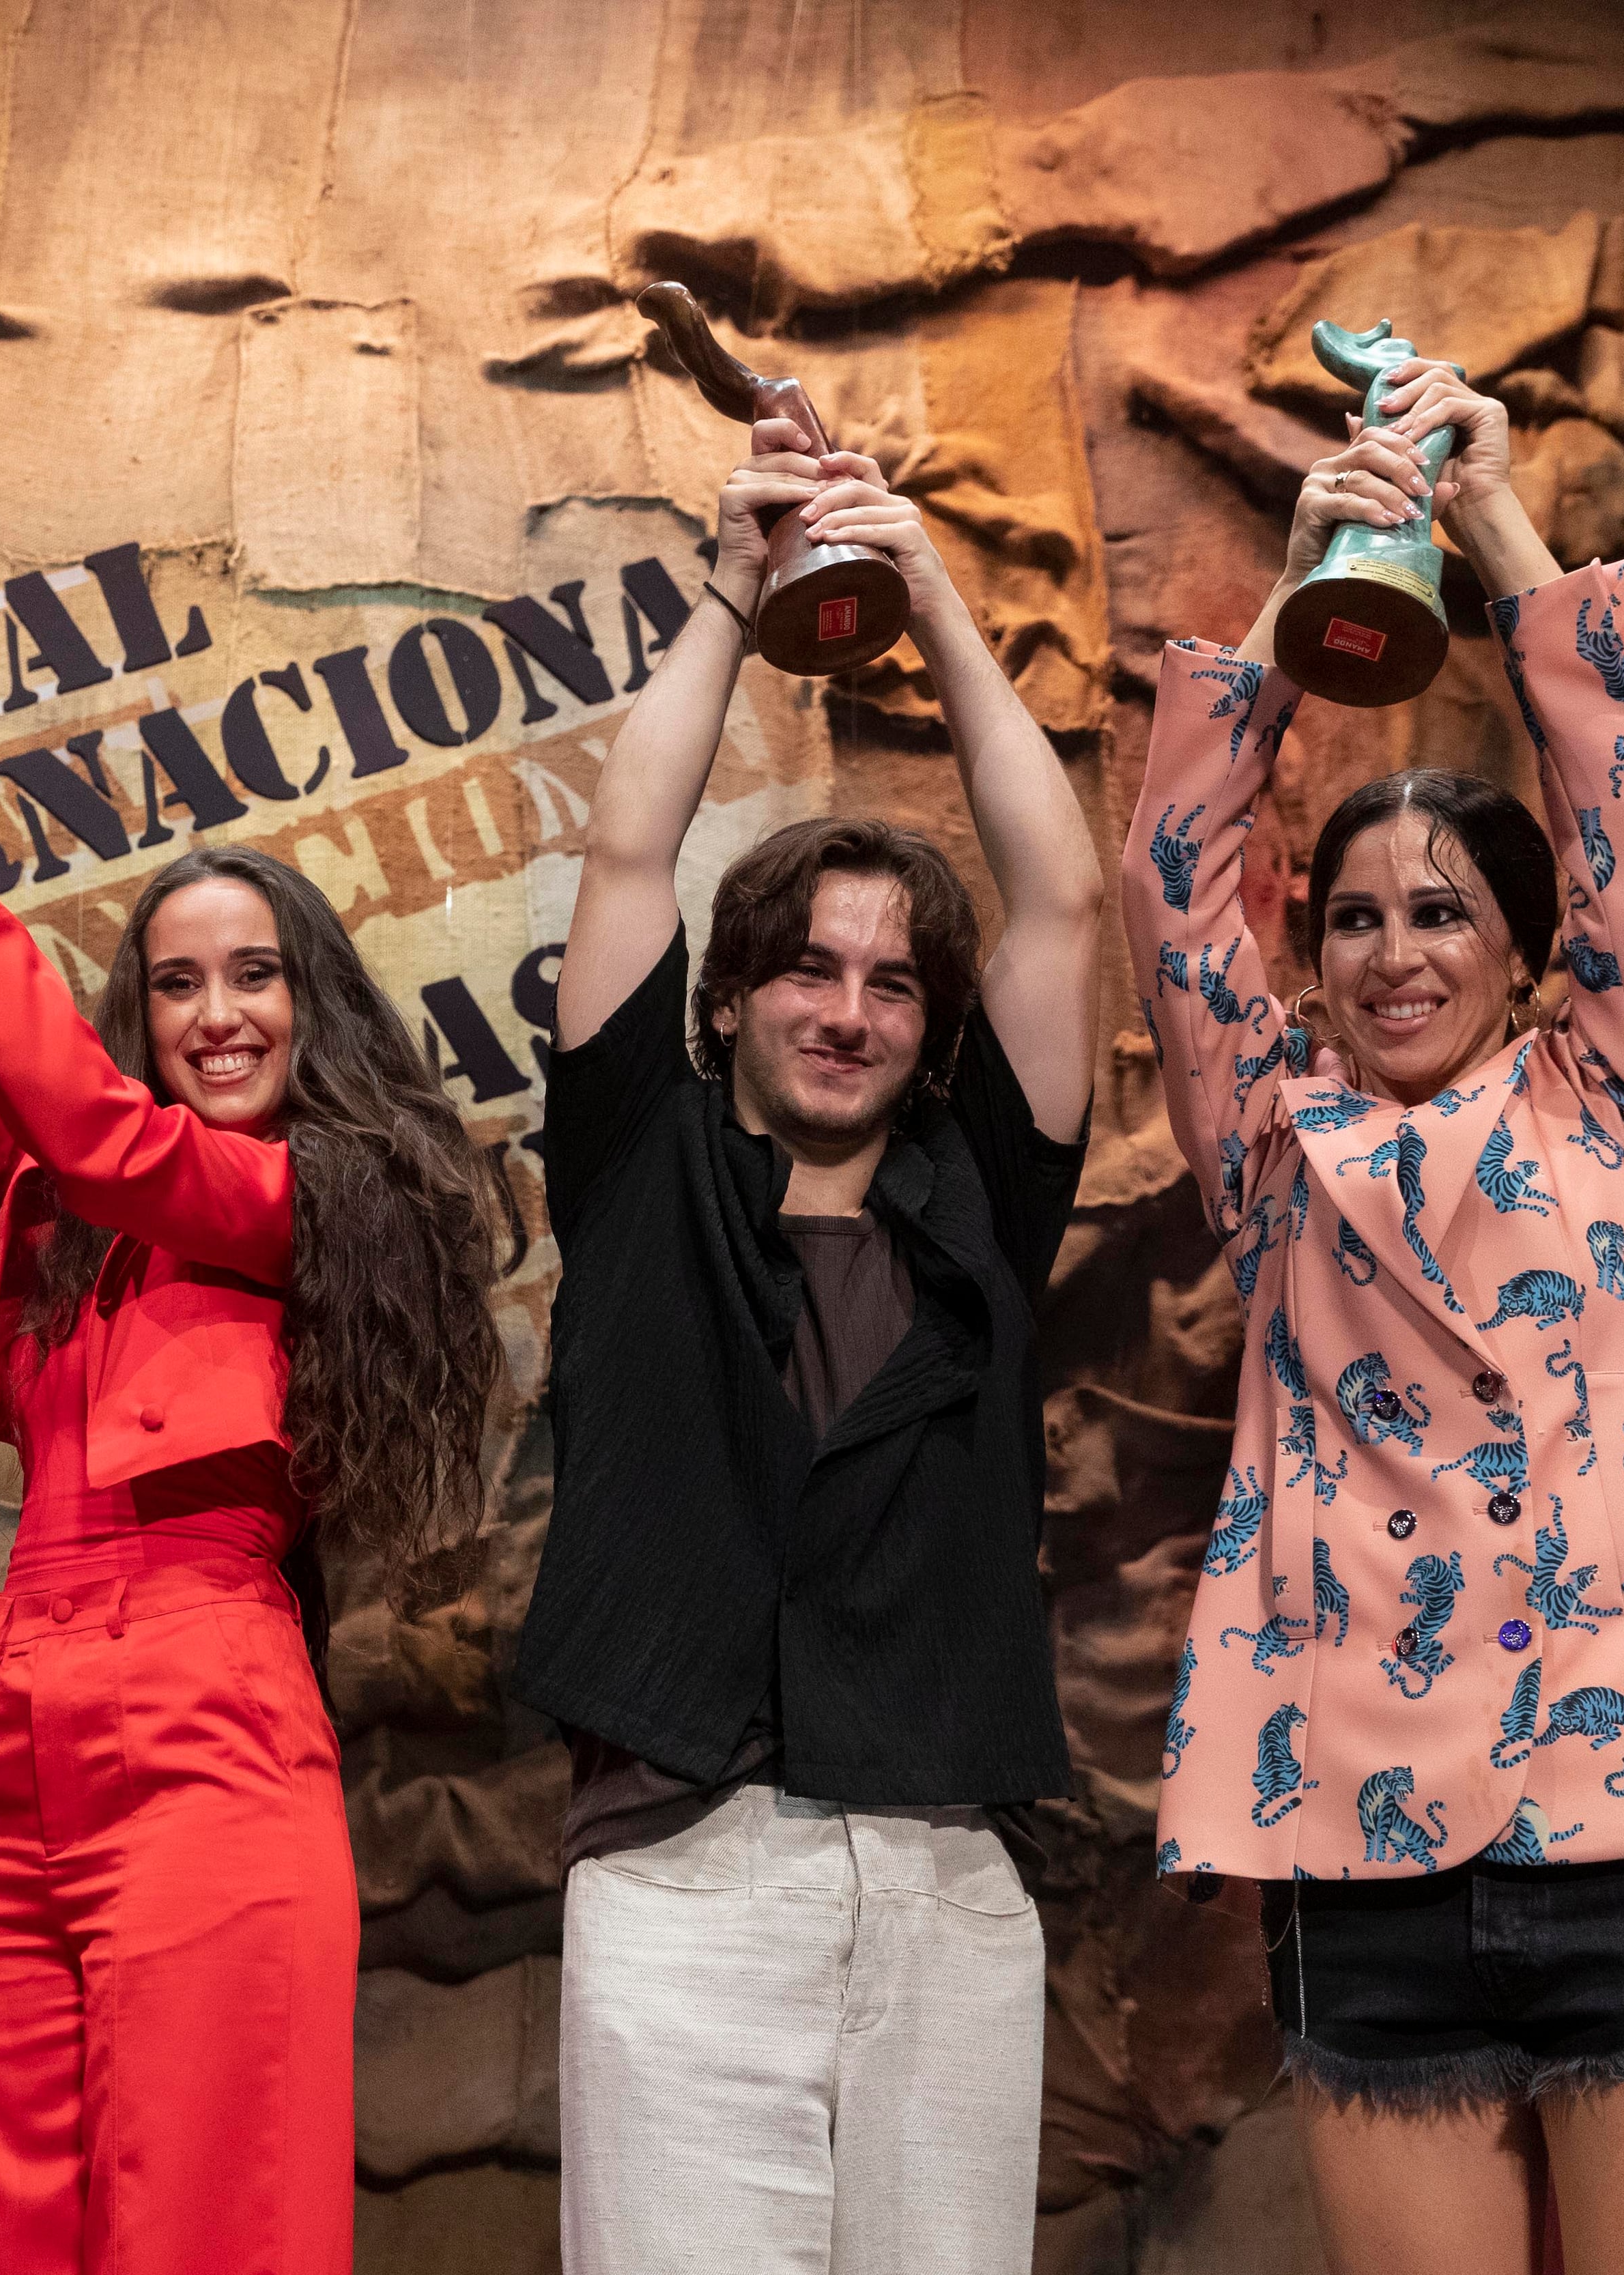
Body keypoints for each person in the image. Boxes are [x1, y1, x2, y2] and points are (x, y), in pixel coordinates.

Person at [1128, 367, 1624, 2275]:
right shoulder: (1277, 1139)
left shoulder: (1620, 1097)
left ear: (1523, 950)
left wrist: (1496, 521)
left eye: (1441, 913)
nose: (1395, 949)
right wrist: (1299, 600)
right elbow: (1175, 886)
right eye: (1352, 918)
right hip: (1367, 1841)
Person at [0, 515, 503, 2275]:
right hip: (9, 1724)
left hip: (210, 1728)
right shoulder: (78, 1212)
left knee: (203, 2235)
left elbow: (96, 1124)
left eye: (256, 976)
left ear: (315, 1003)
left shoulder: (326, 1197)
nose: (217, 1012)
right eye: (176, 982)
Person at [525, 428, 1108, 2272]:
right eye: (806, 965)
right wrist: (734, 583)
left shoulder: (981, 1189)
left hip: (945, 1859)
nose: (846, 1008)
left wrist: (923, 587)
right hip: (688, 1861)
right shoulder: (641, 1160)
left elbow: (1066, 900)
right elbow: (630, 838)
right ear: (728, 992)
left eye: (889, 978)